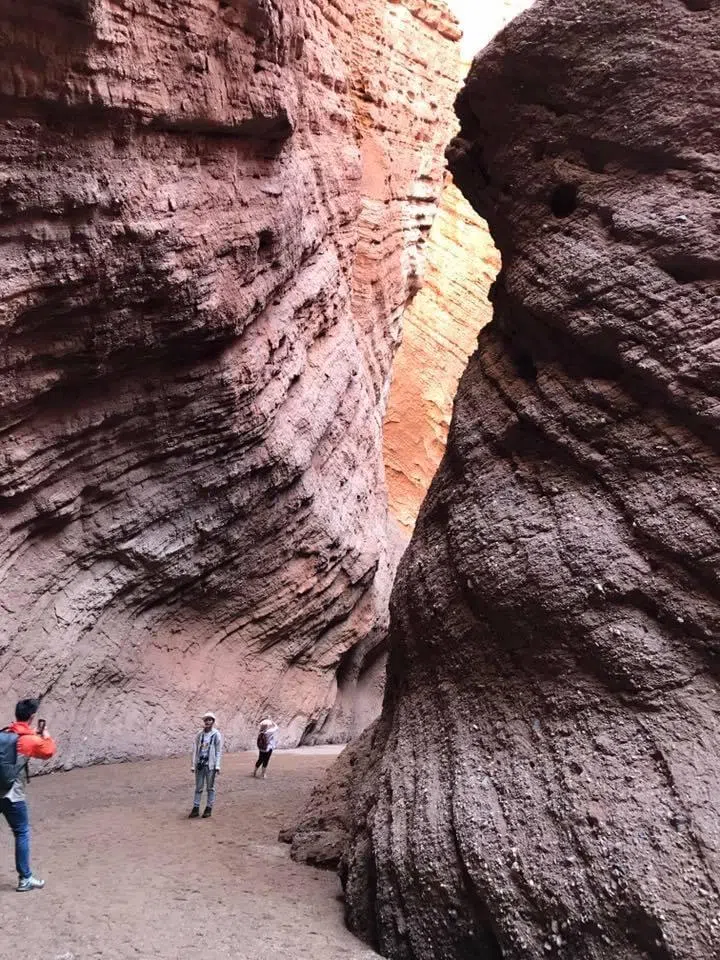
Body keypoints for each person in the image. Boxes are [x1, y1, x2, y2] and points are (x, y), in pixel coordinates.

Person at [0, 698, 57, 892]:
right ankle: (25, 878)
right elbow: (48, 751)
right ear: (32, 717)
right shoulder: (30, 740)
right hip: (12, 795)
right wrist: (46, 736)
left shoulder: (5, 733)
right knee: (21, 832)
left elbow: (21, 736)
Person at [189, 712, 222, 819]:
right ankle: (196, 807)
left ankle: (209, 807)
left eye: (210, 719)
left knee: (210, 787)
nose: (208, 721)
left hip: (210, 765)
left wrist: (217, 765)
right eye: (206, 720)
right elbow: (195, 749)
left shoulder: (216, 734)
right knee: (198, 787)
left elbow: (218, 751)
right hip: (200, 764)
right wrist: (193, 764)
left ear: (213, 721)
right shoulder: (200, 734)